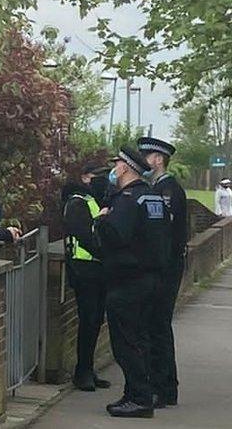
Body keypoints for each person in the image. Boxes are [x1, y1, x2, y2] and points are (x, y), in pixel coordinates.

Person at [93, 146, 171, 418]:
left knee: (126, 342)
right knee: (141, 338)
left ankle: (139, 398)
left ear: (125, 168)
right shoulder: (154, 198)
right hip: (152, 278)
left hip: (128, 281)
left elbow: (116, 235)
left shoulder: (127, 200)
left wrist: (101, 221)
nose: (114, 169)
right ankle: (137, 393)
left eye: (116, 165)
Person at [139, 137, 187, 407]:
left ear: (158, 159)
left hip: (165, 267)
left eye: (146, 157)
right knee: (156, 326)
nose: (143, 161)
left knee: (157, 326)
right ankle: (164, 386)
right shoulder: (158, 187)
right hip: (163, 266)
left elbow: (164, 232)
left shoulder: (167, 190)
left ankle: (162, 386)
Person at [61, 163, 112, 392]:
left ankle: (88, 369)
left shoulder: (95, 200)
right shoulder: (77, 201)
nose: (101, 180)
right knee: (88, 320)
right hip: (83, 269)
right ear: (83, 177)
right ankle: (82, 372)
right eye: (96, 176)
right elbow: (85, 235)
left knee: (95, 321)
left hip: (97, 269)